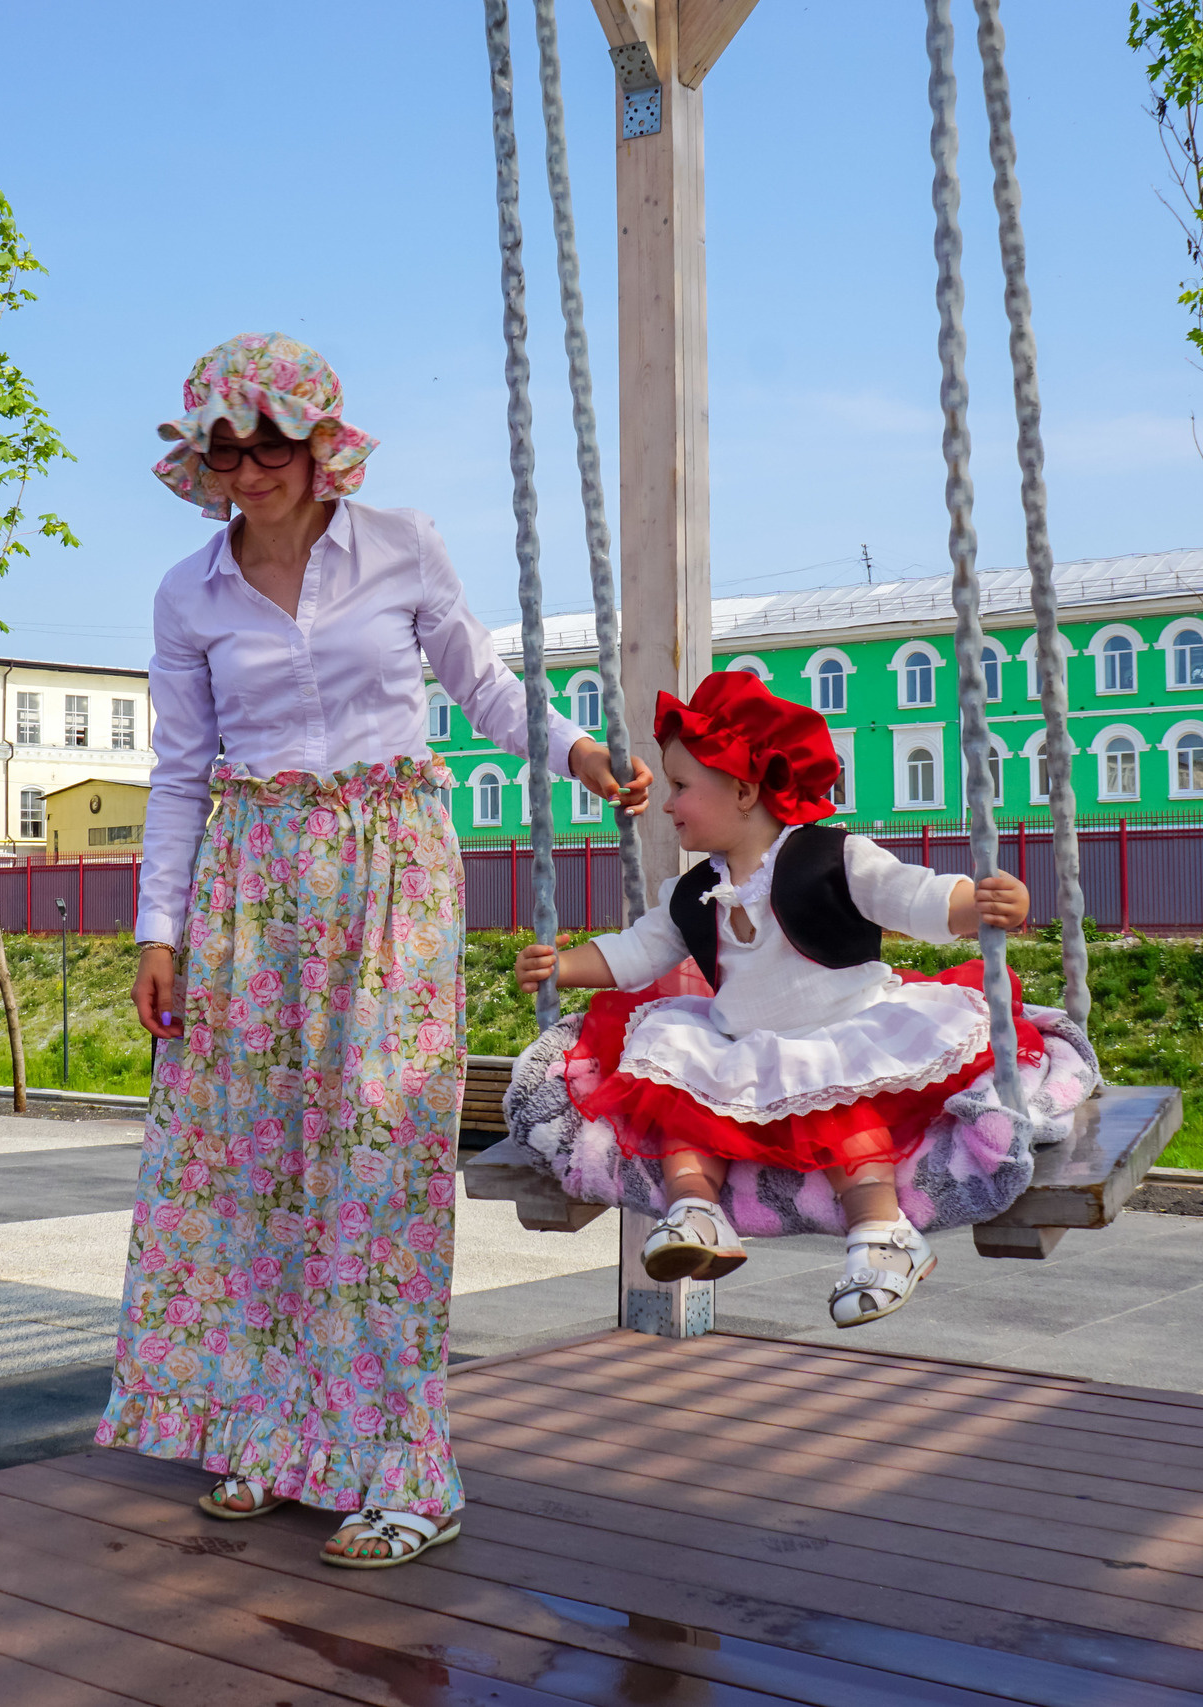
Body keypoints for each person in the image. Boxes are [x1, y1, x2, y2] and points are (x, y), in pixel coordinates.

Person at [105, 333, 651, 1569]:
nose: (250, 473)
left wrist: (577, 754)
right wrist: (158, 932)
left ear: (319, 444)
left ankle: (407, 1467)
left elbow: (486, 689)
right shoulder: (189, 593)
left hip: (388, 867)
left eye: (271, 447)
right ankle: (264, 1430)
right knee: (250, 1161)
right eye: (226, 453)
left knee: (376, 1153)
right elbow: (181, 773)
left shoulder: (401, 543)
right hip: (248, 883)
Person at [514, 671, 1035, 1327]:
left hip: (843, 1033)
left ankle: (884, 1235)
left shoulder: (832, 857)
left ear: (743, 789)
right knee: (684, 1106)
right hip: (742, 1045)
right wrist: (563, 965)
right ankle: (696, 1212)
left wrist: (977, 904)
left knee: (845, 1123)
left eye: (680, 786)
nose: (668, 804)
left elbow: (912, 895)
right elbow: (638, 950)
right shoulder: (693, 891)